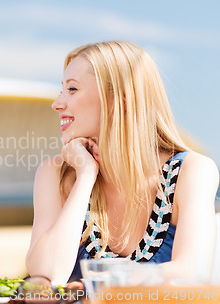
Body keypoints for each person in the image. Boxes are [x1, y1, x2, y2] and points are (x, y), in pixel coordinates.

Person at [26, 41, 219, 285]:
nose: (57, 103)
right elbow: (46, 275)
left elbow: (192, 273)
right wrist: (85, 177)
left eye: (72, 89)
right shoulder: (56, 174)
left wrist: (96, 285)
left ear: (120, 99)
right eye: (61, 90)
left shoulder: (191, 172)